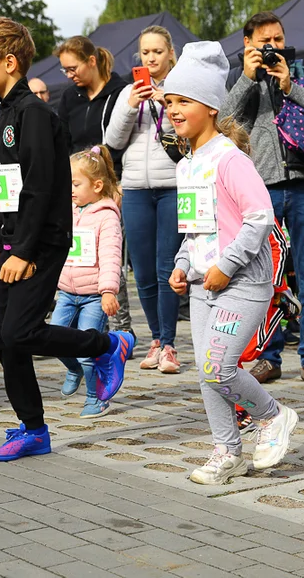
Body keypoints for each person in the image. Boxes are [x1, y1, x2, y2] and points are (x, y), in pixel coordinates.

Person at [0, 17, 131, 462]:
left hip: (40, 242)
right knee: (6, 338)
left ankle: (105, 345)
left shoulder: (35, 115)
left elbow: (41, 188)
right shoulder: (4, 113)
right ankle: (33, 429)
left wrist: (22, 251)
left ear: (9, 61)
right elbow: (6, 191)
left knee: (19, 332)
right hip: (12, 241)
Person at [165, 40, 299, 486]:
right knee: (207, 372)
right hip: (205, 284)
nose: (174, 110)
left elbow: (260, 216)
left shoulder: (229, 158)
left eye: (183, 100)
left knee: (217, 366)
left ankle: (273, 415)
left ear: (209, 105)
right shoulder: (187, 166)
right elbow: (195, 227)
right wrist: (184, 263)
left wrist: (227, 264)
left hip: (242, 281)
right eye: (169, 102)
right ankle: (228, 452)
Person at [222, 11, 304, 387]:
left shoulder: (301, 68)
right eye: (264, 41)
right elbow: (223, 120)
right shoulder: (238, 74)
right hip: (261, 187)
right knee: (266, 278)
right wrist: (246, 76)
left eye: (278, 38)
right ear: (248, 44)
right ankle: (268, 357)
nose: (273, 46)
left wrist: (290, 86)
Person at [105, 26, 184, 374]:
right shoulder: (126, 93)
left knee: (168, 267)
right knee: (143, 271)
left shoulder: (180, 90)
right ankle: (154, 340)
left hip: (172, 186)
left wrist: (166, 102)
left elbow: (186, 134)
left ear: (170, 53)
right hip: (135, 188)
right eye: (145, 53)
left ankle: (169, 344)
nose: (151, 58)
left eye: (157, 52)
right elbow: (113, 141)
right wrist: (130, 106)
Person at [56, 36, 133, 336]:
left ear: (92, 61)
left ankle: (120, 328)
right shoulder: (68, 97)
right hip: (79, 183)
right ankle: (80, 323)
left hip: (113, 182)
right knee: (80, 252)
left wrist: (114, 187)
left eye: (73, 68)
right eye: (64, 70)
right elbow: (63, 142)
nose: (69, 75)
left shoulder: (119, 91)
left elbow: (121, 137)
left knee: (111, 253)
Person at [52, 147, 123, 417]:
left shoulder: (106, 216)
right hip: (67, 292)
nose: (70, 189)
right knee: (53, 338)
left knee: (86, 348)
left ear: (97, 185)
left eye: (76, 184)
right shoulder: (68, 210)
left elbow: (110, 255)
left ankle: (97, 398)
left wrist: (107, 291)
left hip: (94, 294)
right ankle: (74, 369)